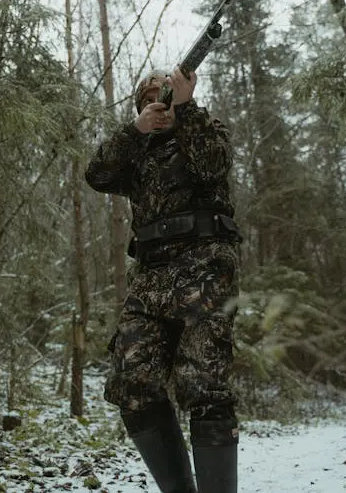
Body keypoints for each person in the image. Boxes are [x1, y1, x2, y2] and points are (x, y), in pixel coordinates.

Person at [85, 67, 242, 493]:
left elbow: (214, 164)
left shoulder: (202, 127)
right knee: (131, 381)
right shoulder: (135, 152)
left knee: (204, 382)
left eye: (166, 96)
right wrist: (135, 131)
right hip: (151, 275)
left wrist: (187, 109)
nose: (159, 105)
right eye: (149, 100)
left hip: (204, 264)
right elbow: (96, 174)